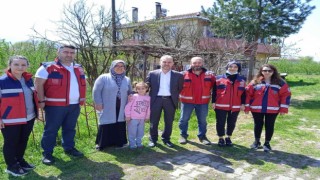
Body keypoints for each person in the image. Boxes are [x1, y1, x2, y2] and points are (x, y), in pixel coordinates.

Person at [35, 45, 87, 165]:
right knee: (51, 130)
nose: (69, 55)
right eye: (65, 52)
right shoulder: (47, 67)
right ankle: (47, 153)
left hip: (74, 105)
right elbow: (38, 85)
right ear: (58, 52)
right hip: (55, 105)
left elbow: (82, 84)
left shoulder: (79, 68)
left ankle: (69, 148)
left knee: (70, 129)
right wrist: (41, 101)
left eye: (72, 52)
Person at [0, 55, 38, 176]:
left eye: (23, 65)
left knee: (23, 140)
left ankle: (20, 161)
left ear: (27, 66)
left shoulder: (28, 79)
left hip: (29, 117)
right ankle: (11, 166)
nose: (20, 67)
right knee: (11, 142)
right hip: (10, 119)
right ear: (10, 65)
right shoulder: (2, 81)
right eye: (16, 64)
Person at [245, 64, 291, 152]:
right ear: (261, 71)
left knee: (270, 125)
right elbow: (248, 94)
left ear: (273, 72)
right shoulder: (255, 82)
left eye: (269, 71)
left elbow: (286, 95)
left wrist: (283, 109)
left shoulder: (280, 83)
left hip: (273, 109)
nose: (267, 72)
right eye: (265, 70)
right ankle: (257, 142)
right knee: (257, 125)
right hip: (256, 108)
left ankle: (267, 143)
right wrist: (247, 107)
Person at [93, 60, 132, 150]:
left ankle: (119, 142)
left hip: (121, 105)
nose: (119, 68)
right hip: (107, 105)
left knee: (120, 123)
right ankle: (102, 144)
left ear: (124, 68)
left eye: (122, 66)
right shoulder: (103, 77)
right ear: (112, 67)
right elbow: (96, 91)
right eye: (117, 66)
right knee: (105, 122)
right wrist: (98, 103)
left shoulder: (127, 79)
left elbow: (130, 91)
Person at [146, 55, 184, 148]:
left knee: (169, 121)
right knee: (154, 121)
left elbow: (180, 88)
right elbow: (146, 86)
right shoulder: (152, 74)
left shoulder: (178, 75)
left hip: (170, 100)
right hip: (156, 100)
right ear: (160, 62)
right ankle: (153, 139)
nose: (167, 64)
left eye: (169, 62)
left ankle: (166, 139)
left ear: (172, 63)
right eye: (164, 62)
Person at [178, 57, 215, 145]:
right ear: (190, 64)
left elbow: (216, 89)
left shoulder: (210, 75)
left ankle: (202, 136)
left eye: (199, 63)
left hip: (203, 102)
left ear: (202, 64)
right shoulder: (183, 74)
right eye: (194, 63)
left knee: (202, 120)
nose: (197, 64)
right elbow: (176, 87)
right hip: (187, 102)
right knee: (183, 119)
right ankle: (183, 135)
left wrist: (214, 100)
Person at [212, 61, 246, 147]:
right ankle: (220, 138)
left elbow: (244, 93)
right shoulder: (219, 78)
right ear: (227, 67)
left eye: (235, 67)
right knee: (220, 122)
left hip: (235, 105)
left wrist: (243, 104)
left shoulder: (242, 79)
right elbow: (214, 91)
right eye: (231, 66)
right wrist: (213, 102)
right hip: (221, 105)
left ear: (238, 68)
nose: (233, 68)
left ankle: (228, 137)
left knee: (232, 122)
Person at [124, 82, 150, 149]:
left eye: (143, 88)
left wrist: (147, 116)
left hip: (142, 119)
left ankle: (139, 143)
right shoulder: (134, 96)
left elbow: (148, 108)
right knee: (132, 132)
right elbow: (128, 106)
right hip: (133, 118)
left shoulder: (148, 98)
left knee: (140, 132)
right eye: (138, 89)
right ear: (136, 89)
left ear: (146, 89)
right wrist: (128, 115)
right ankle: (132, 144)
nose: (141, 90)